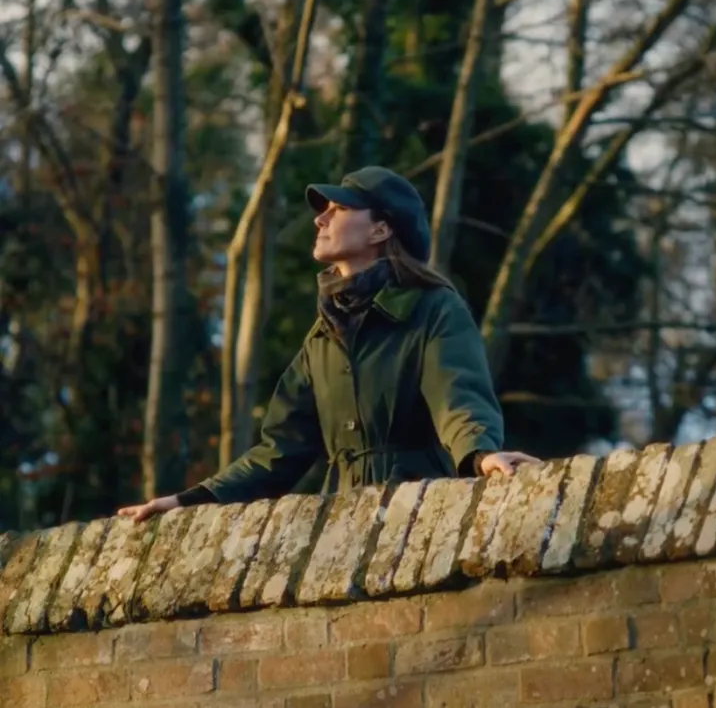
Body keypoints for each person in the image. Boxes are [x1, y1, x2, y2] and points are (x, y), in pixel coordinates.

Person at [119, 166, 539, 522]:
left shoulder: (434, 309)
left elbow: (459, 399)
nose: (320, 220)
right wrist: (189, 501)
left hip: (422, 515)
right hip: (341, 526)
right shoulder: (322, 337)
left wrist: (482, 455)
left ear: (381, 228)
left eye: (338, 209)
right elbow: (279, 451)